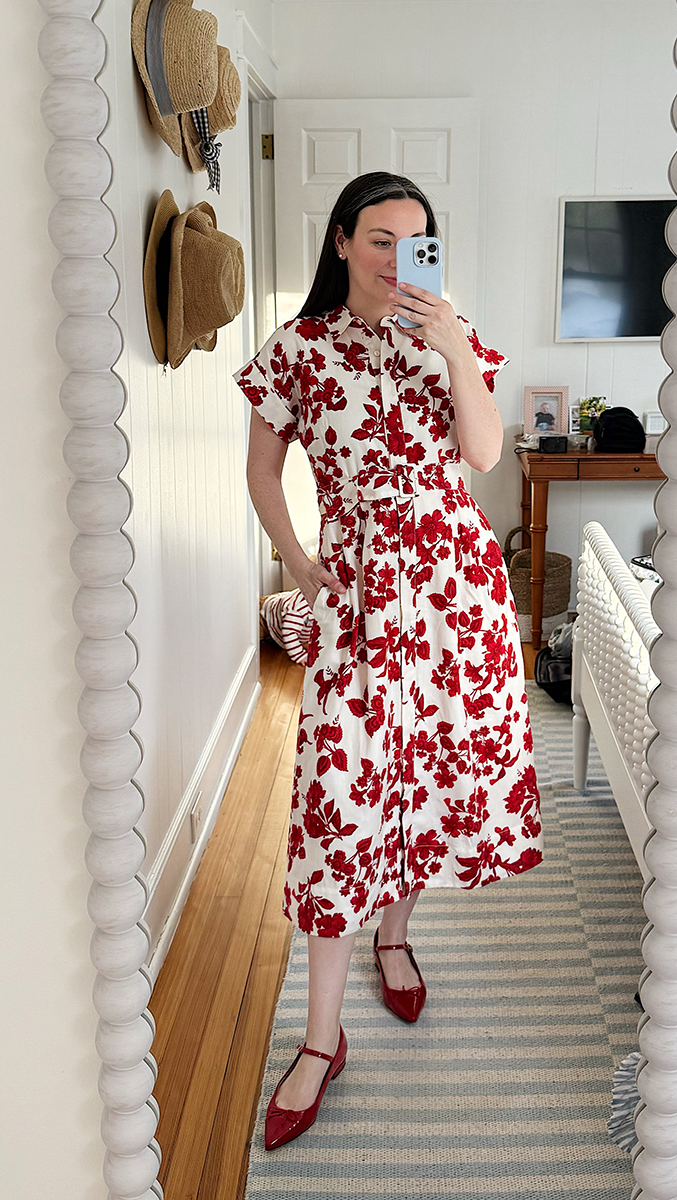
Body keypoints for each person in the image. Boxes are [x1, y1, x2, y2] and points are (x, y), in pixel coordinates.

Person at [234, 171, 543, 1150]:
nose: (394, 254)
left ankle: (398, 937)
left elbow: (486, 455)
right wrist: (297, 560)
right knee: (338, 807)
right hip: (359, 611)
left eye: (414, 239)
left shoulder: (453, 333)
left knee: (421, 785)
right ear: (339, 243)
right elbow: (259, 468)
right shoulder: (296, 352)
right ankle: (322, 1041)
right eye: (378, 237)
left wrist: (453, 348)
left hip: (459, 606)